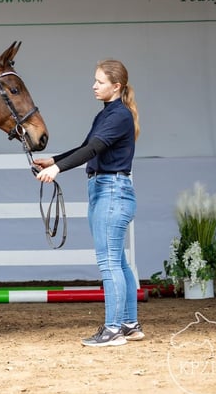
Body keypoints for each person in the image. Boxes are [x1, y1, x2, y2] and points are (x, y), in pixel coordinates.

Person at [33, 58, 142, 347]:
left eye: (100, 82)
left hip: (111, 191)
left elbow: (94, 148)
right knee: (118, 262)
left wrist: (57, 170)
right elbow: (86, 148)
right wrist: (54, 159)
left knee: (109, 264)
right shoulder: (109, 114)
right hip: (109, 190)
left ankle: (113, 330)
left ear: (116, 86)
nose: (94, 86)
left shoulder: (117, 116)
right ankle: (129, 324)